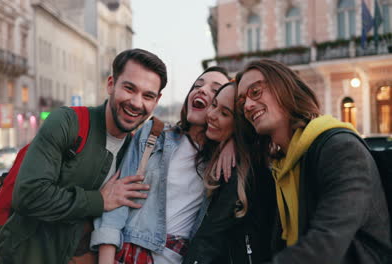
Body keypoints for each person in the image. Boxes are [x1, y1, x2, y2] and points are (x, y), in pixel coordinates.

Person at [0, 48, 167, 264]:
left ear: (157, 100)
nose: (136, 102)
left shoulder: (134, 150)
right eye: (129, 88)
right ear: (111, 84)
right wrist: (98, 200)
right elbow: (29, 195)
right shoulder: (67, 122)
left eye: (148, 96)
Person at [235, 59, 391, 263]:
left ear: (285, 88)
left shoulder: (339, 147)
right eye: (241, 102)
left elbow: (326, 243)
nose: (247, 105)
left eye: (255, 92)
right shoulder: (283, 167)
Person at [89, 66, 231, 264]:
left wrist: (232, 142)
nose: (202, 90)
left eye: (215, 90)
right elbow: (117, 202)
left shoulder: (224, 161)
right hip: (130, 254)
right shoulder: (155, 135)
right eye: (198, 85)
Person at [183, 81, 276, 264]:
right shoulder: (219, 153)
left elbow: (209, 239)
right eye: (214, 105)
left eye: (225, 113)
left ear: (239, 126)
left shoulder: (241, 172)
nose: (211, 115)